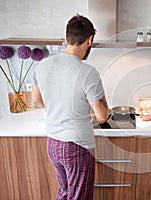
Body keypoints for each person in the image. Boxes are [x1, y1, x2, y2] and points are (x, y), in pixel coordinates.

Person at [32, 14, 110, 199]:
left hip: (53, 142)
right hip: (77, 145)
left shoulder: (42, 65)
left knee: (65, 192)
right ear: (90, 40)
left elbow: (36, 100)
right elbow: (102, 116)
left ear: (67, 38)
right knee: (79, 196)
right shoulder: (88, 72)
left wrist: (59, 108)